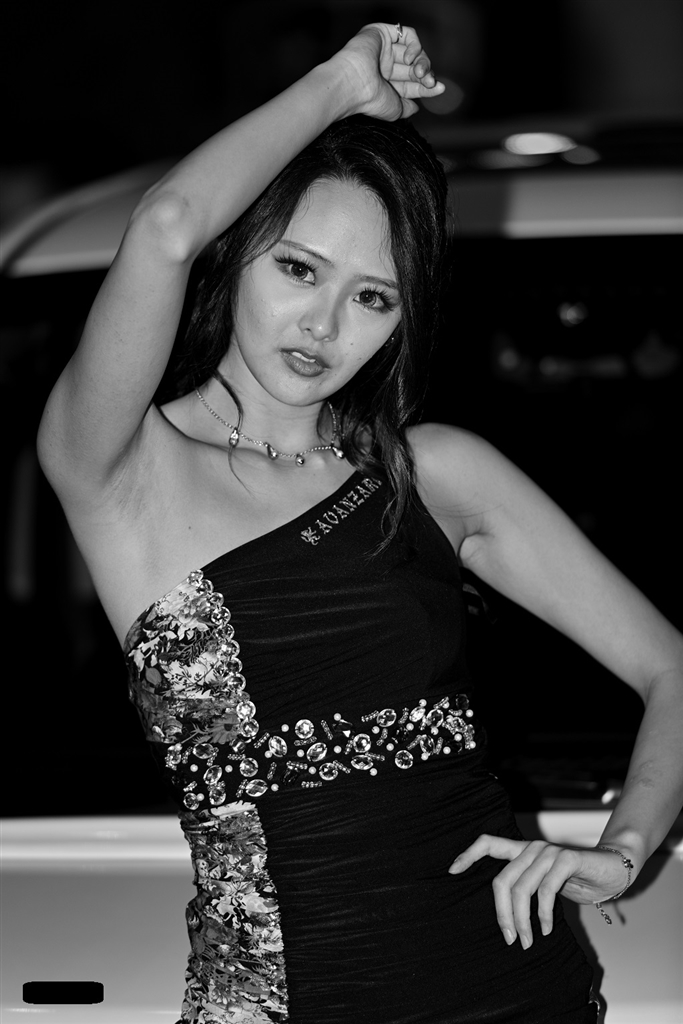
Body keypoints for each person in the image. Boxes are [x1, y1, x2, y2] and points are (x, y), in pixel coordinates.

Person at [37, 21, 682, 1024]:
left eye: (372, 296)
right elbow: (165, 222)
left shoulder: (431, 474)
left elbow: (671, 669)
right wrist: (340, 84)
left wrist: (623, 847)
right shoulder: (121, 467)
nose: (324, 325)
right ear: (236, 253)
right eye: (297, 269)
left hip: (515, 994)